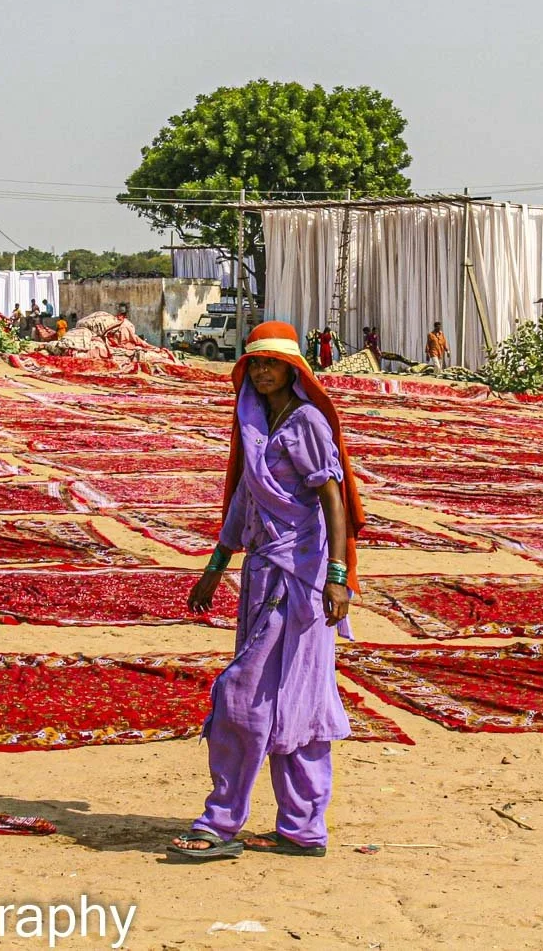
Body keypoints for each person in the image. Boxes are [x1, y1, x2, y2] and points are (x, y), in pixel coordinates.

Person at [167, 321, 365, 862]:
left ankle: (221, 821)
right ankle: (302, 830)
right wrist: (215, 565)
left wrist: (338, 575)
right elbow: (244, 501)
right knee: (292, 698)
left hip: (299, 582)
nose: (261, 371)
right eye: (254, 363)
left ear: (293, 368)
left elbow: (334, 500)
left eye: (271, 363)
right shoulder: (253, 419)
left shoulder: (305, 423)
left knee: (245, 695)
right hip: (261, 576)